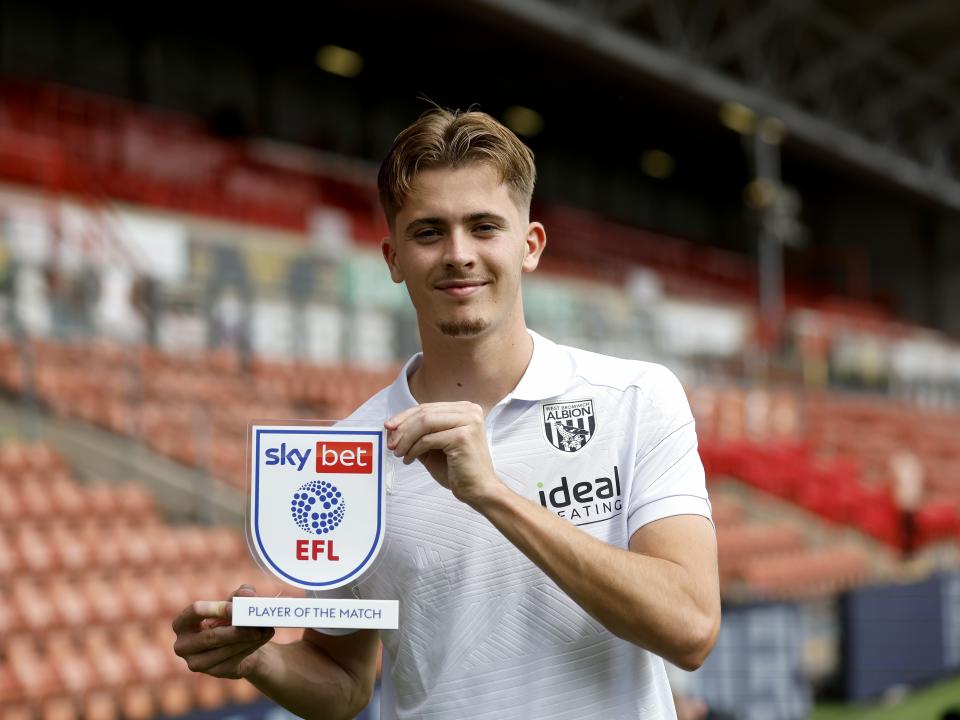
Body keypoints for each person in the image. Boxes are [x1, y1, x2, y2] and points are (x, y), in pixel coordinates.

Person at [173, 108, 721, 719]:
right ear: (392, 258)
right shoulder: (347, 453)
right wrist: (257, 658)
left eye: (484, 227)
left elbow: (691, 626)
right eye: (429, 232)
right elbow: (345, 684)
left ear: (530, 245)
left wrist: (492, 494)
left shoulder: (636, 398)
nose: (459, 254)